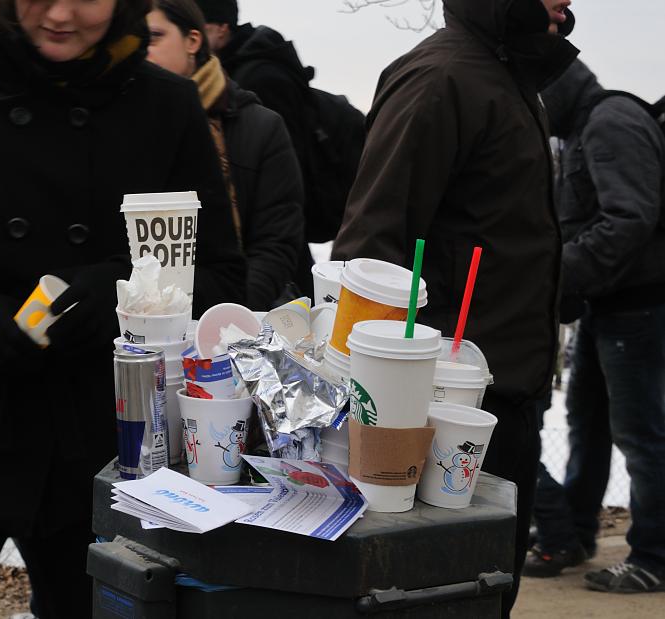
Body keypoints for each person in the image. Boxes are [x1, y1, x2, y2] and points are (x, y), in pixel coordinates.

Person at [0, 0, 245, 617]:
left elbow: (222, 274)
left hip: (105, 453)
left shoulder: (167, 106)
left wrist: (119, 293)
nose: (62, 13)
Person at [331, 0, 578, 614]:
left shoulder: (509, 76)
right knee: (443, 602)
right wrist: (391, 416)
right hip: (439, 413)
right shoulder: (441, 79)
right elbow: (368, 254)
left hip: (504, 397)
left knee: (488, 597)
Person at [524, 59, 665, 593]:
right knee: (588, 423)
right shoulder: (586, 127)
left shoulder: (609, 123)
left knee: (642, 437)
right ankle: (576, 534)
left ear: (553, 89)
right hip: (606, 308)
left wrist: (557, 274)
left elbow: (629, 218)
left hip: (638, 309)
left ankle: (654, 556)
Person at [146, 0, 304, 310]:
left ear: (193, 41)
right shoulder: (123, 121)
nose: (142, 49)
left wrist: (229, 315)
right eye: (134, 39)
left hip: (231, 322)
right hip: (137, 322)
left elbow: (275, 243)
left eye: (153, 36)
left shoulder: (260, 127)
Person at [194, 0, 327, 298]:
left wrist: (246, 301)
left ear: (221, 29)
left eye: (199, 29)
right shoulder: (242, 68)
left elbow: (280, 186)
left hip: (265, 276)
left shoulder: (257, 79)